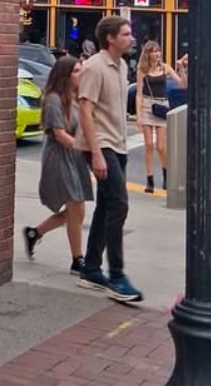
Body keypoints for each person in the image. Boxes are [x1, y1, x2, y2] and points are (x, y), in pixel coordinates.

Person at [75, 15, 143, 303]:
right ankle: (116, 274)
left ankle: (91, 269)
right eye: (126, 34)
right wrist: (96, 153)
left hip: (118, 144)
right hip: (101, 145)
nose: (131, 38)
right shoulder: (94, 67)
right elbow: (85, 111)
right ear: (111, 38)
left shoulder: (123, 65)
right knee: (119, 204)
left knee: (106, 206)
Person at [23, 55, 93, 274]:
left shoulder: (76, 97)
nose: (80, 75)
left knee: (76, 212)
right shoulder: (53, 99)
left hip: (75, 156)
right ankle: (77, 259)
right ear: (65, 75)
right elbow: (59, 134)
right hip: (60, 157)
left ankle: (35, 233)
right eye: (76, 71)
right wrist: (86, 147)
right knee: (76, 206)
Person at [135, 41, 185, 193]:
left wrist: (182, 68)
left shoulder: (165, 68)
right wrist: (138, 114)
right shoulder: (142, 70)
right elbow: (139, 92)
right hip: (146, 105)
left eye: (158, 51)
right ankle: (150, 180)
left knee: (161, 146)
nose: (156, 54)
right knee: (149, 145)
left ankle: (166, 176)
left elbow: (183, 84)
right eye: (153, 51)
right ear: (147, 54)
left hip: (162, 105)